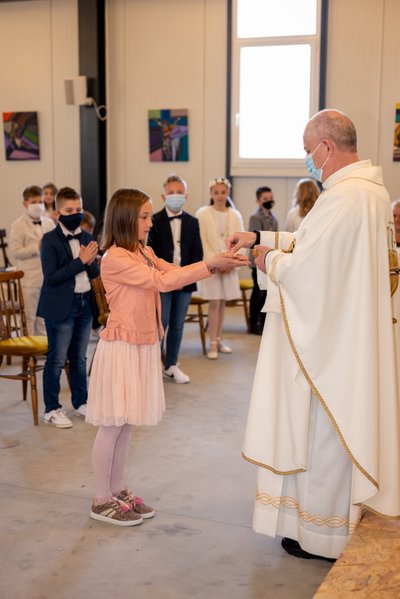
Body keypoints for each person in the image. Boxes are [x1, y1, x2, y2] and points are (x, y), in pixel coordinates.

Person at [227, 109, 400, 562]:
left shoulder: (345, 197)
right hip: (347, 334)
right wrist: (261, 238)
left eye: (308, 151)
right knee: (327, 438)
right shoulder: (369, 193)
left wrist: (265, 259)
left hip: (331, 346)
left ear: (327, 147)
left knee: (324, 437)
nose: (308, 160)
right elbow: (316, 245)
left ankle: (322, 536)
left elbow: (309, 269)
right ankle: (313, 527)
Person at [85, 188, 247, 526]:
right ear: (126, 219)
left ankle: (116, 489)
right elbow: (163, 281)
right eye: (144, 217)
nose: (150, 223)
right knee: (112, 425)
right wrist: (210, 264)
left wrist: (213, 262)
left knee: (126, 424)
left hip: (142, 344)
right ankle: (101, 499)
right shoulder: (115, 257)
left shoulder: (143, 251)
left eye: (149, 216)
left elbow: (173, 270)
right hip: (122, 346)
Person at [37, 187, 99, 428]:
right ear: (57, 213)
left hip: (85, 303)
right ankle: (51, 409)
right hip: (60, 306)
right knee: (56, 359)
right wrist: (80, 261)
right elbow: (52, 277)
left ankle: (81, 401)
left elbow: (94, 273)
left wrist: (91, 263)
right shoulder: (49, 240)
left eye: (78, 209)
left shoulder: (87, 237)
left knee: (79, 358)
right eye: (69, 210)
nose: (75, 214)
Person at [147, 174, 203, 384]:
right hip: (162, 280)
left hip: (185, 282)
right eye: (171, 192)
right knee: (161, 323)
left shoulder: (193, 222)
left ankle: (171, 364)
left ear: (186, 196)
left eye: (179, 192)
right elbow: (151, 253)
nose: (175, 195)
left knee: (178, 324)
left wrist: (186, 275)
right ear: (163, 196)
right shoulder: (154, 221)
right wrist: (168, 276)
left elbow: (197, 253)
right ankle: (153, 364)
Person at [196, 177, 245, 359]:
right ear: (211, 194)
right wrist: (215, 262)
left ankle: (219, 338)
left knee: (223, 303)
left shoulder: (235, 215)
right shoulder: (203, 214)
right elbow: (202, 241)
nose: (219, 195)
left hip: (228, 264)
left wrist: (230, 262)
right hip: (213, 266)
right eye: (216, 192)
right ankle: (212, 343)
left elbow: (240, 240)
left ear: (228, 193)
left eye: (223, 192)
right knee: (214, 303)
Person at [9, 186, 55, 335]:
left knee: (44, 316)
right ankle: (28, 347)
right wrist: (37, 247)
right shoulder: (18, 225)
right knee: (29, 317)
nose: (38, 205)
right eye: (34, 202)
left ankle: (43, 344)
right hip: (28, 278)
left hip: (47, 276)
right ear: (25, 204)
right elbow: (15, 252)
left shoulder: (49, 223)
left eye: (40, 201)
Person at [248, 186, 278, 335]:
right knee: (257, 292)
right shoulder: (255, 217)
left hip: (270, 259)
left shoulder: (273, 217)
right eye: (265, 199)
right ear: (258, 201)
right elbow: (255, 240)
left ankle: (264, 322)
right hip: (258, 260)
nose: (269, 201)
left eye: (270, 198)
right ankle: (253, 322)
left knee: (267, 292)